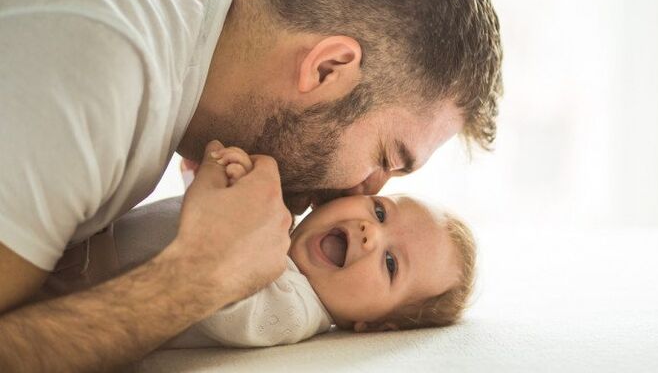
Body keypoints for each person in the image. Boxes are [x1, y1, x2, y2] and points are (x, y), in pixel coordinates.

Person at [0, 0, 502, 371]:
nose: (364, 189)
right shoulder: (98, 72)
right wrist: (196, 277)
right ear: (327, 69)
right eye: (385, 158)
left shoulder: (169, 16)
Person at [41, 146, 478, 348]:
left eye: (389, 263)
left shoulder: (294, 311)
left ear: (372, 325)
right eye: (380, 213)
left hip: (80, 287)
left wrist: (214, 196)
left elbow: (219, 293)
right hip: (80, 240)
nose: (370, 232)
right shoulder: (277, 226)